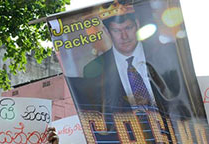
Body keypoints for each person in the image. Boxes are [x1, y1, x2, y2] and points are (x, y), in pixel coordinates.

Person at [73, 0, 205, 119]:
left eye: (128, 28)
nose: (124, 36)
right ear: (107, 31)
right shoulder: (92, 69)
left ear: (137, 24)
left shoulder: (168, 53)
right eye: (116, 31)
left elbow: (186, 97)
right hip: (130, 139)